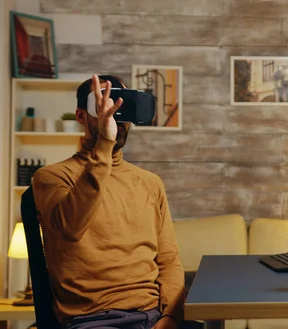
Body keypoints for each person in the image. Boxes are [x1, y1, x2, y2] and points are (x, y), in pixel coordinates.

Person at [31, 74, 185, 329]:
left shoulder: (150, 182)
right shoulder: (52, 177)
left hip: (153, 316)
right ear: (81, 116)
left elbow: (168, 260)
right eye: (103, 106)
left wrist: (171, 316)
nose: (115, 116)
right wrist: (105, 142)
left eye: (120, 107)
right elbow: (70, 227)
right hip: (91, 320)